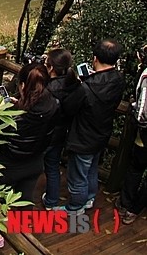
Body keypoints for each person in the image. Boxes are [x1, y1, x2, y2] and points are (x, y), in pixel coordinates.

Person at [60, 38, 125, 214]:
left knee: (77, 176)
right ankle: (89, 198)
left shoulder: (87, 88)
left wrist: (78, 86)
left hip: (83, 137)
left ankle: (75, 207)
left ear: (95, 58)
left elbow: (69, 107)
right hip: (102, 133)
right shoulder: (118, 79)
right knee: (91, 170)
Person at [0, 62, 59, 204]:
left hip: (8, 166)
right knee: (24, 202)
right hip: (35, 162)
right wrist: (19, 104)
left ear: (23, 85)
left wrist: (1, 112)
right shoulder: (53, 105)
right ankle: (22, 226)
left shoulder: (13, 117)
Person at [42, 48, 80, 209]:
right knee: (52, 166)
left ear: (50, 68)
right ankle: (51, 201)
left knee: (30, 165)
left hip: (46, 133)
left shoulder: (50, 89)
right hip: (62, 132)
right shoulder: (74, 83)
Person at [115, 43, 147, 224]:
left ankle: (128, 206)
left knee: (136, 167)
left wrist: (134, 107)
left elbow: (143, 113)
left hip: (144, 136)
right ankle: (135, 207)